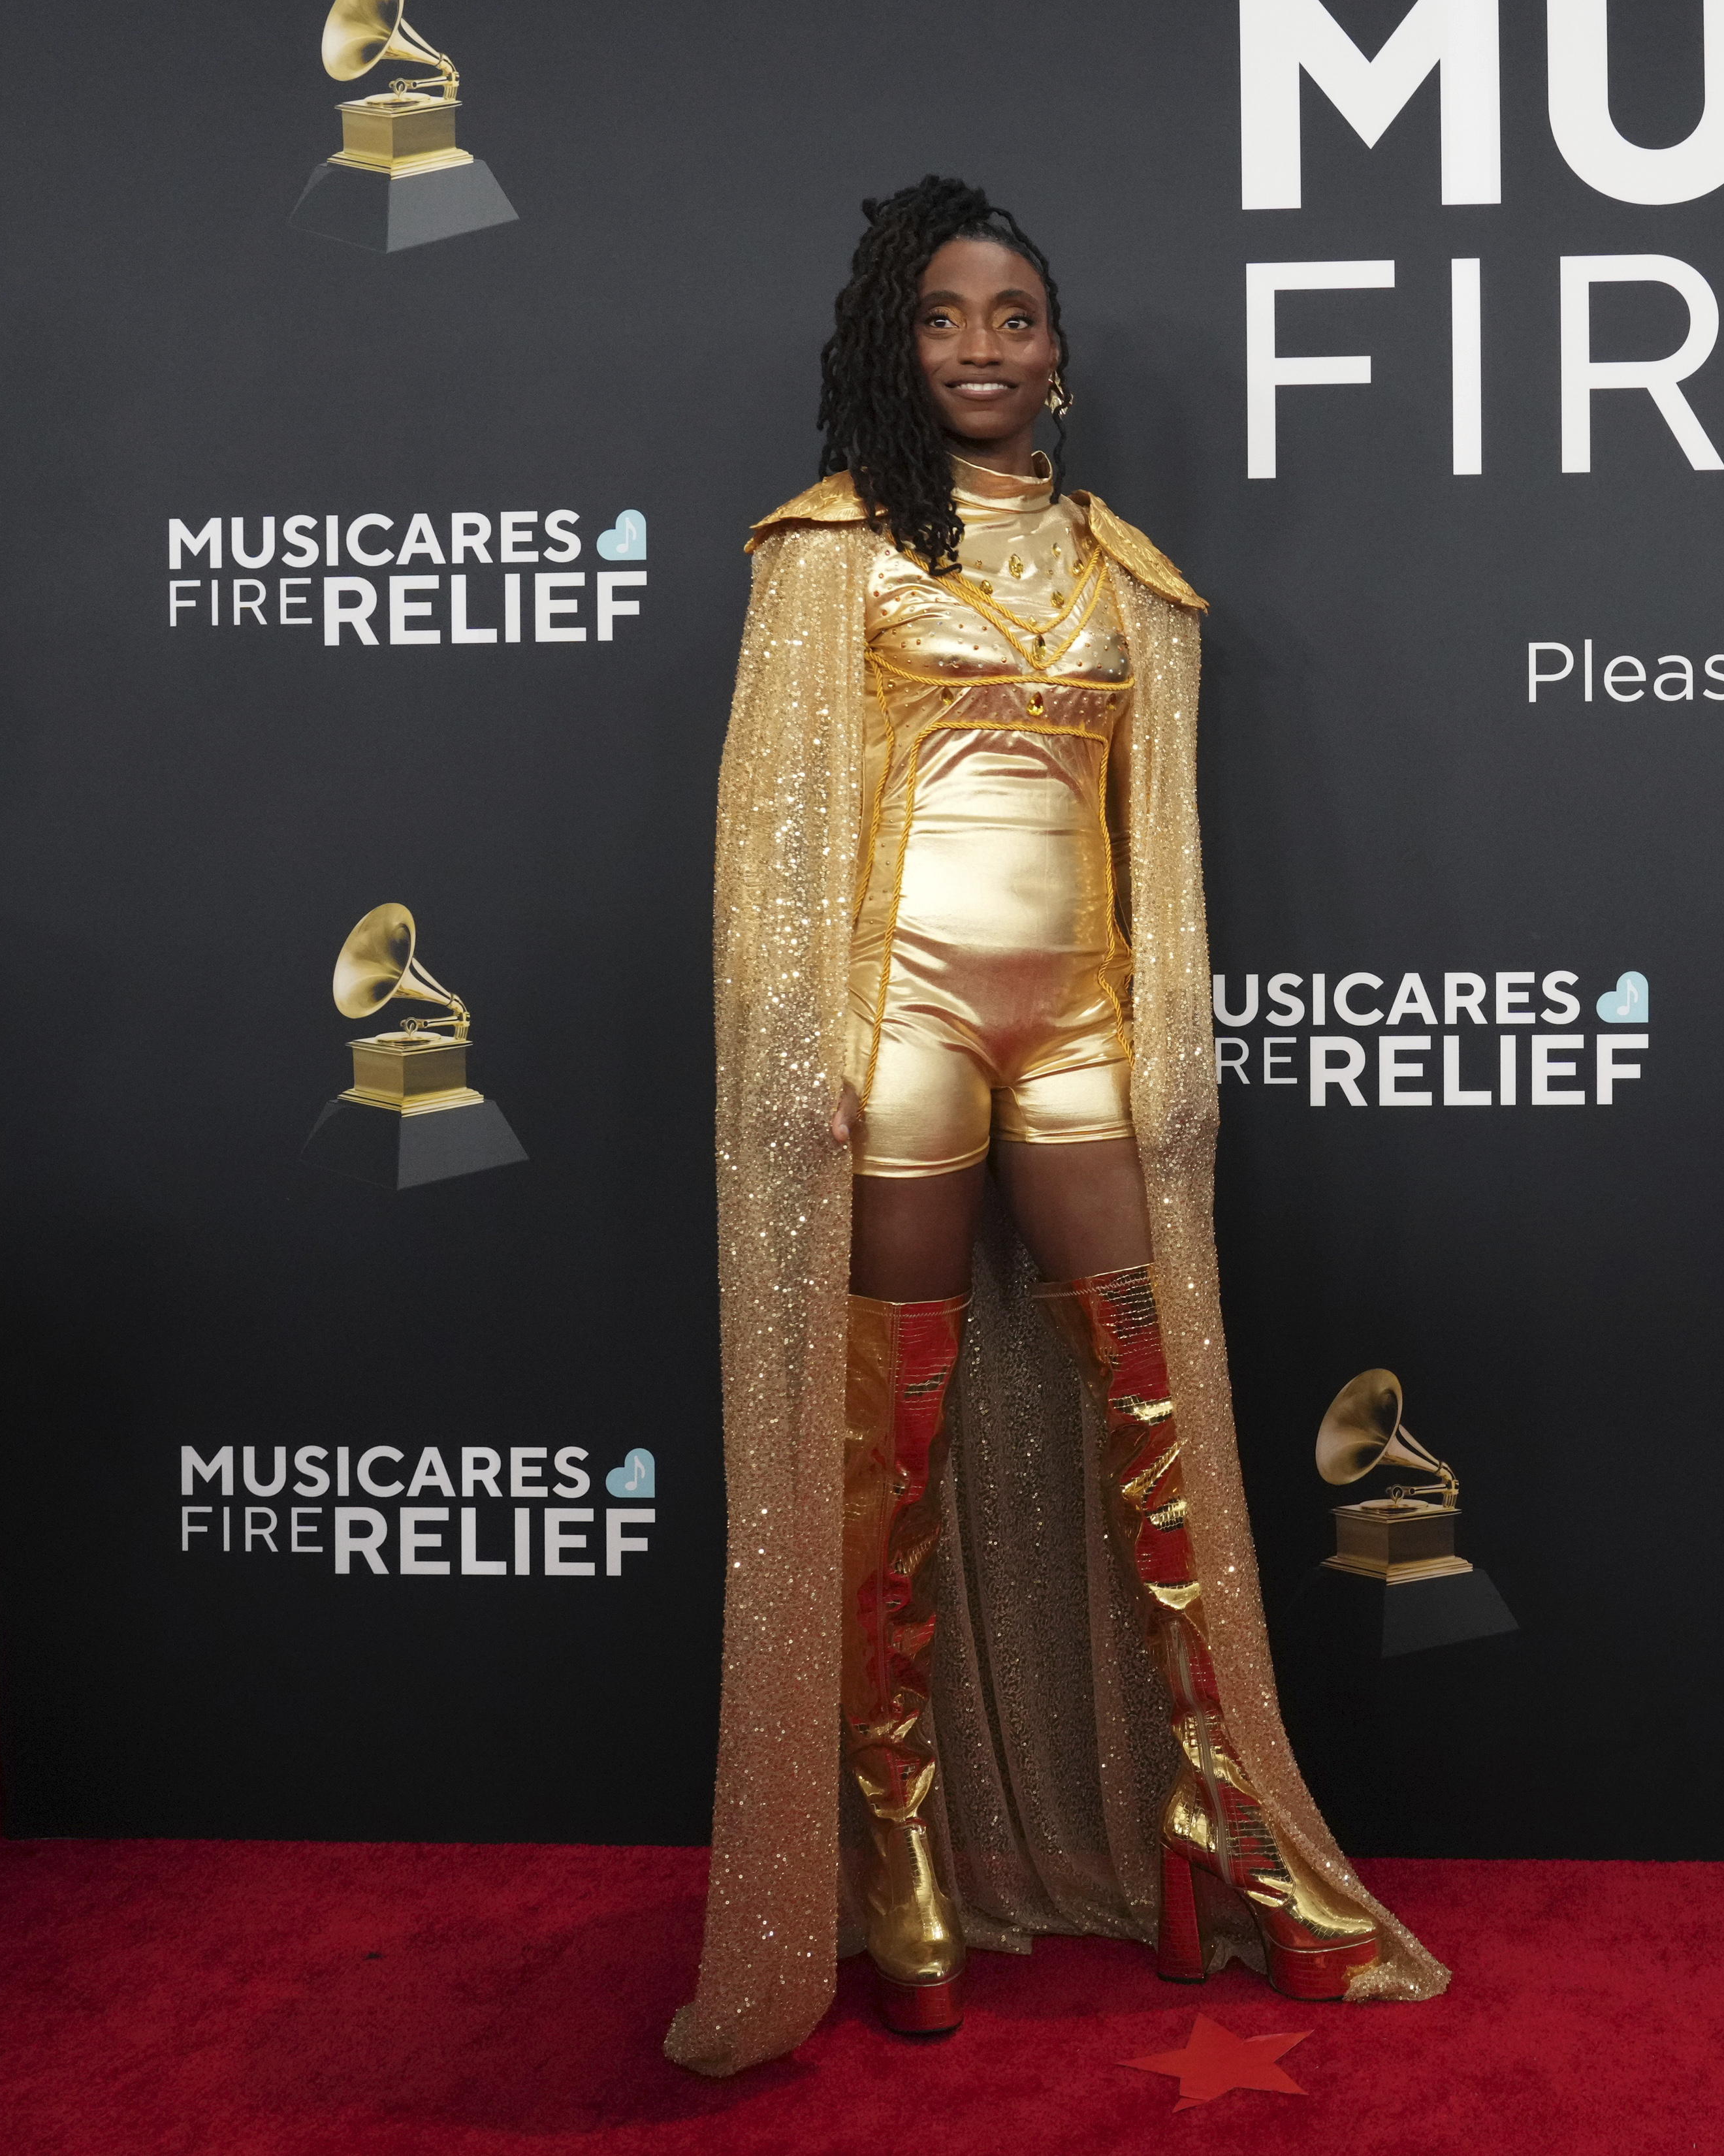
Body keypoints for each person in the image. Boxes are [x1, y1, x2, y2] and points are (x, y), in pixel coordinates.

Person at [663, 176, 1444, 2076]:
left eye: (1014, 318)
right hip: (897, 1025)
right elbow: (771, 843)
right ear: (892, 344)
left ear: (1062, 357)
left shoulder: (1127, 572)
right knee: (890, 1454)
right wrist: (799, 1050)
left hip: (1084, 1020)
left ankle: (1221, 1819)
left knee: (1155, 1423)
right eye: (943, 317)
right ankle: (900, 1845)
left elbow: (1145, 855)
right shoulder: (827, 552)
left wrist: (1170, 1037)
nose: (982, 349)